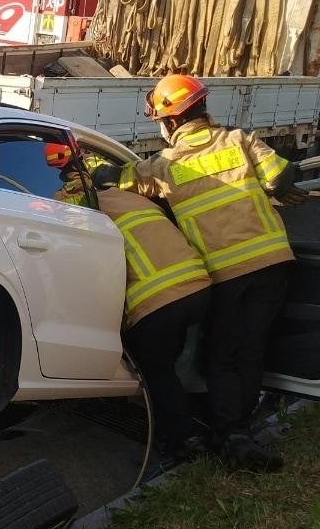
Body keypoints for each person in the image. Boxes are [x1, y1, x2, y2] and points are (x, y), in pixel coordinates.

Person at [95, 73, 305, 471]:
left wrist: (93, 170)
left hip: (227, 274)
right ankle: (241, 428)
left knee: (221, 358)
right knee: (252, 350)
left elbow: (116, 180)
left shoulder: (164, 166)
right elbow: (282, 177)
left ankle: (234, 438)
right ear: (203, 109)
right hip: (275, 262)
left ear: (171, 121)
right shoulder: (241, 141)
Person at [54, 148, 211, 462]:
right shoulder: (130, 194)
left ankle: (181, 441)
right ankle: (205, 420)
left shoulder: (70, 201)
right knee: (177, 360)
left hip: (156, 297)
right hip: (198, 285)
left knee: (157, 370)